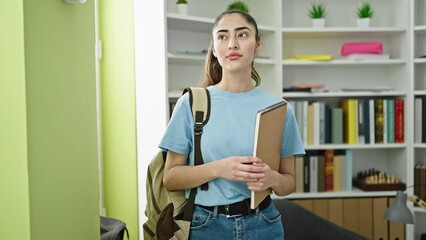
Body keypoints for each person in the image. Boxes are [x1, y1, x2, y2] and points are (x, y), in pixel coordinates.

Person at [160, 9, 305, 240]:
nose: (232, 44)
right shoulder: (192, 103)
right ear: (214, 47)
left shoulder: (279, 109)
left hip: (264, 224)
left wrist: (272, 179)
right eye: (223, 36)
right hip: (205, 227)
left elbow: (288, 184)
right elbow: (170, 178)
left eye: (242, 35)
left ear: (257, 44)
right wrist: (220, 169)